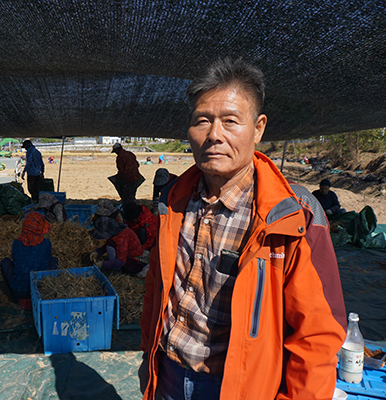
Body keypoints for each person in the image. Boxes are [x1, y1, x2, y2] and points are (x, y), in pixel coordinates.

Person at [139, 58, 346, 400]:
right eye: (202, 121)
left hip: (239, 386)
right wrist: (149, 356)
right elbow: (155, 290)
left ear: (259, 127)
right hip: (169, 372)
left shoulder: (293, 215)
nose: (214, 135)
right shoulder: (172, 200)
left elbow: (317, 334)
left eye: (230, 121)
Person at [0, 212, 58, 309]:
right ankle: (47, 290)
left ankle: (14, 296)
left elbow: (15, 260)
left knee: (5, 262)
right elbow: (47, 258)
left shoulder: (16, 243)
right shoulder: (46, 243)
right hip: (40, 289)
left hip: (19, 290)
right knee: (54, 260)